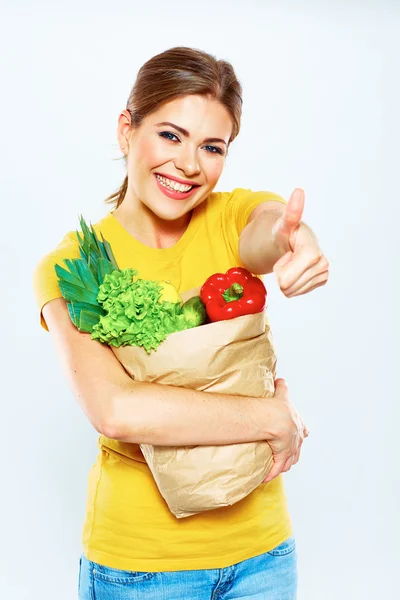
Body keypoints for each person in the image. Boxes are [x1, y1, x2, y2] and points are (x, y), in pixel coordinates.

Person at [33, 46, 329, 600]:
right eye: (170, 135)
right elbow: (117, 410)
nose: (190, 164)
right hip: (140, 570)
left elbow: (270, 229)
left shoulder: (233, 214)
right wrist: (270, 415)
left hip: (264, 557)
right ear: (127, 129)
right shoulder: (71, 267)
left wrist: (298, 240)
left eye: (211, 147)